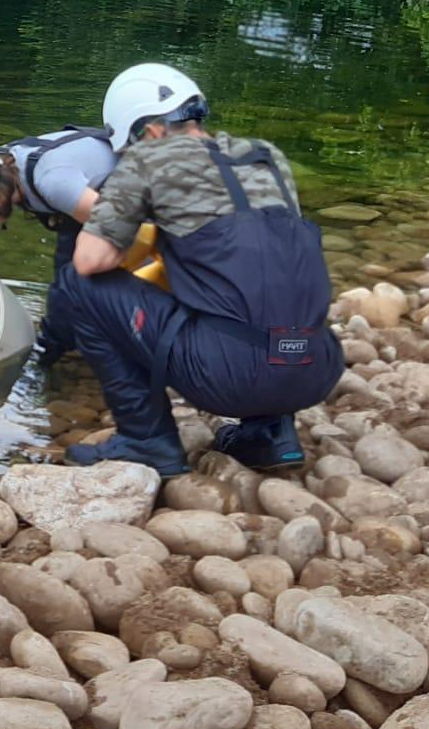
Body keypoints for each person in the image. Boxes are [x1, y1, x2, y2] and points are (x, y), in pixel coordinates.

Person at [57, 63, 341, 476]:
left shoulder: (148, 160)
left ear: (148, 132)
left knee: (77, 284)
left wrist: (136, 236)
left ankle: (147, 440)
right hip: (315, 366)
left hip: (229, 378)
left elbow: (90, 260)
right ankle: (272, 436)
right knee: (259, 281)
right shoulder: (266, 156)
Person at [0, 126, 161, 360]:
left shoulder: (52, 183)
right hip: (88, 199)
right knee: (66, 288)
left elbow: (129, 228)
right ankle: (69, 347)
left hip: (143, 208)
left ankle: (56, 355)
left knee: (73, 290)